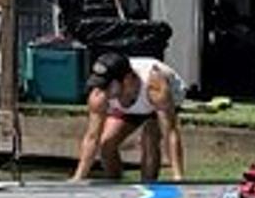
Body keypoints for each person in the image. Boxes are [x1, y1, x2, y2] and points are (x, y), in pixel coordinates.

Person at [71, 51, 187, 182]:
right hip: (128, 104)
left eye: (107, 85)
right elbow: (92, 137)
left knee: (149, 139)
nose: (102, 90)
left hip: (162, 100)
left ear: (126, 80)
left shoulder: (155, 85)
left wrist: (178, 177)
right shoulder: (99, 95)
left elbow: (170, 133)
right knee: (106, 144)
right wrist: (78, 177)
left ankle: (149, 184)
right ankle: (114, 182)